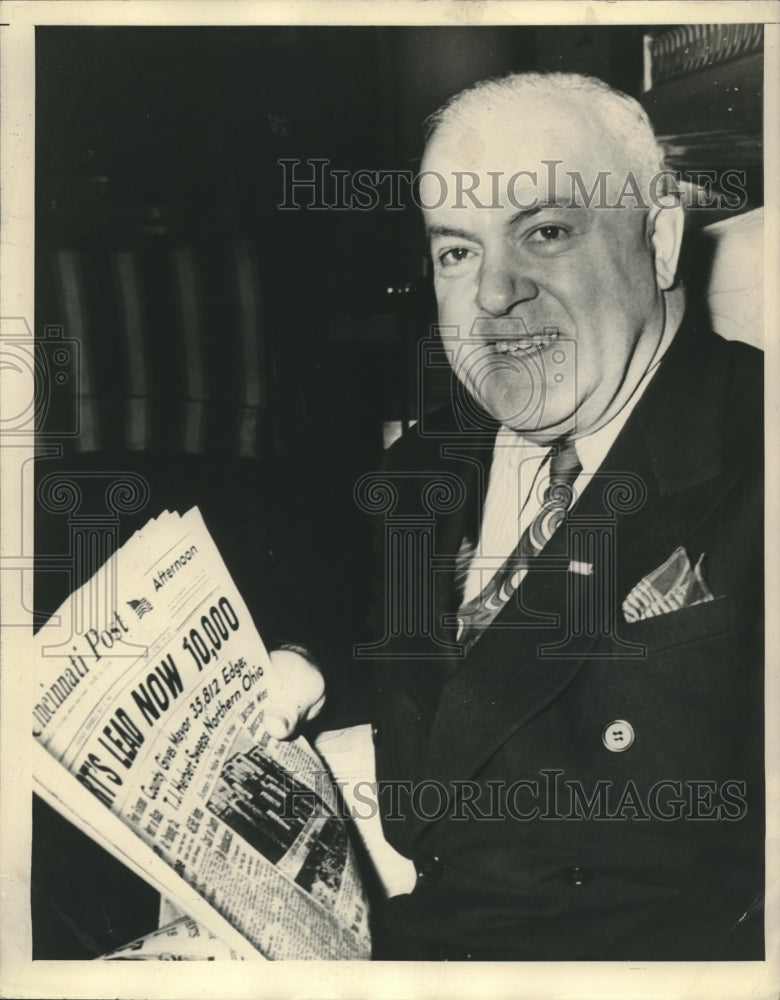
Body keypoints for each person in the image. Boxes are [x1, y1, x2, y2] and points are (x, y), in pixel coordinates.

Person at [265, 72, 764, 960]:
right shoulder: (426, 462)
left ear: (658, 240)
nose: (493, 293)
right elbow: (426, 662)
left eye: (546, 232)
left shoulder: (755, 449)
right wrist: (311, 663)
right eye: (457, 251)